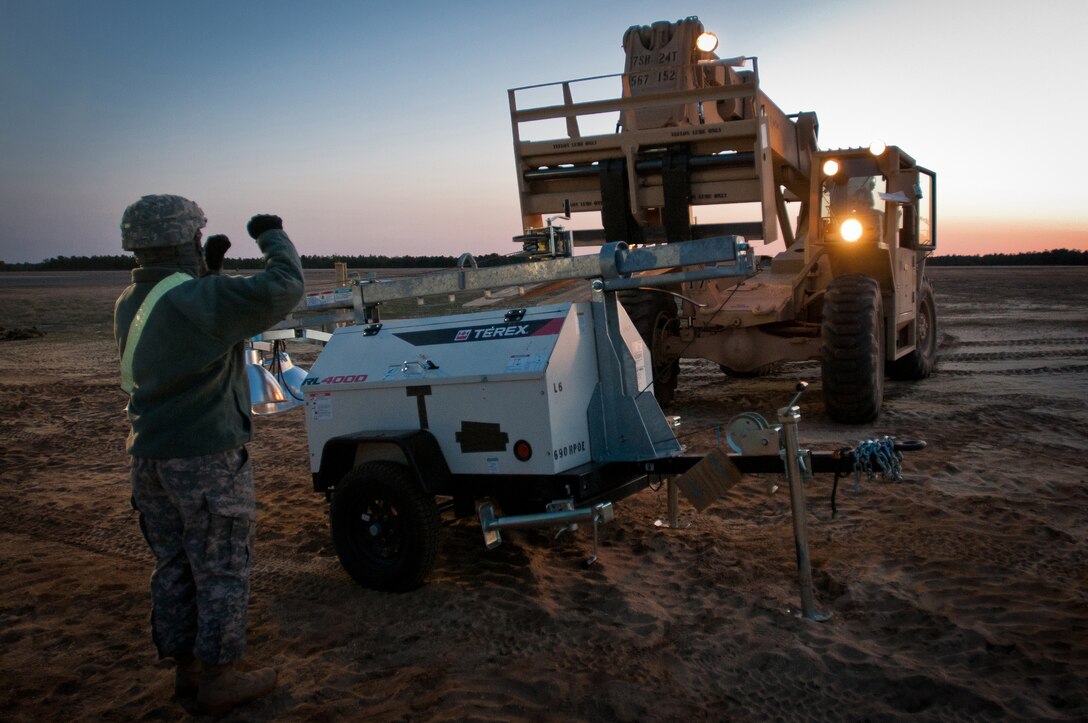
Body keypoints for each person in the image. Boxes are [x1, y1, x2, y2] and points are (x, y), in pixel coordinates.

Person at [113, 194, 304, 715]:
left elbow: (188, 334)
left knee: (173, 565)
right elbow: (285, 287)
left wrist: (210, 271)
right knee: (221, 565)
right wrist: (272, 236)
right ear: (184, 239)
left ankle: (186, 673)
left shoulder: (134, 299)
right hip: (204, 459)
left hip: (149, 458)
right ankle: (221, 679)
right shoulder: (199, 300)